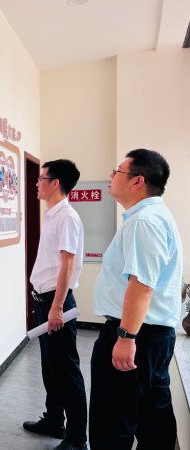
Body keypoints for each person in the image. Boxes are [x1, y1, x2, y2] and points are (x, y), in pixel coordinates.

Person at [89, 149, 183, 450]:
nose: (111, 175)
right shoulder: (151, 217)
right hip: (149, 335)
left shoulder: (144, 221)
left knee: (112, 424)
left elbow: (142, 286)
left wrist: (126, 337)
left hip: (136, 335)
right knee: (152, 419)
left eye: (117, 170)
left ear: (137, 181)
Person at [24, 159, 88, 450]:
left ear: (55, 183)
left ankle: (76, 438)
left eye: (41, 178)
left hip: (56, 302)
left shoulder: (67, 217)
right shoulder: (52, 214)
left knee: (66, 371)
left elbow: (67, 265)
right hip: (45, 302)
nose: (37, 183)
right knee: (50, 367)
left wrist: (57, 307)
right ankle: (54, 421)